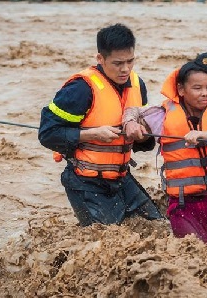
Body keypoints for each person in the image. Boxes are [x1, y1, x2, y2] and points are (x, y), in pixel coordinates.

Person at [39, 23, 162, 226]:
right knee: (108, 242)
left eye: (130, 61)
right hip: (85, 182)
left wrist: (143, 135)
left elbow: (144, 145)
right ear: (100, 59)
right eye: (117, 63)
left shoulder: (137, 84)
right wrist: (93, 134)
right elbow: (48, 134)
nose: (125, 69)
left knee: (158, 228)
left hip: (121, 178)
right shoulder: (80, 89)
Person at [124, 52, 207, 245]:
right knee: (195, 256)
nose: (205, 93)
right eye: (197, 88)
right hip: (186, 206)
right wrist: (130, 124)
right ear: (181, 90)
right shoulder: (164, 115)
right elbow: (132, 111)